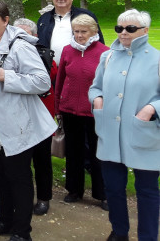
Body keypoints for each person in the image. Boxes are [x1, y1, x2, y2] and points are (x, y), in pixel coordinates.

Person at [0, 0, 56, 241]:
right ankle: (4, 220)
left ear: (6, 20)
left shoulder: (19, 46)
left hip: (14, 123)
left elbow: (42, 81)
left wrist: (9, 76)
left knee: (19, 176)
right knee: (2, 174)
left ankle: (22, 231)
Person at [89, 9, 160, 241]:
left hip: (143, 133)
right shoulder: (107, 57)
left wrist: (152, 109)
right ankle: (119, 232)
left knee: (147, 191)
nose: (123, 33)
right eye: (119, 28)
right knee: (114, 189)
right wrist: (97, 100)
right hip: (110, 133)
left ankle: (147, 237)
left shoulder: (157, 59)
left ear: (145, 30)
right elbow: (95, 87)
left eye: (130, 28)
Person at [54, 14, 108, 210]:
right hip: (69, 110)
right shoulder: (68, 50)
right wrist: (58, 107)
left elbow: (107, 84)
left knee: (97, 153)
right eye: (76, 31)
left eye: (83, 32)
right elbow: (60, 80)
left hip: (95, 111)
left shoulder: (104, 52)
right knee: (73, 152)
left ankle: (102, 194)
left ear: (93, 32)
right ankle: (74, 190)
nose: (79, 35)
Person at [13, 18, 58, 216]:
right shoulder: (10, 53)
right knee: (20, 162)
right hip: (18, 116)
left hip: (41, 116)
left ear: (35, 36)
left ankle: (43, 197)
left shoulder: (44, 55)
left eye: (26, 34)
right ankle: (22, 196)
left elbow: (49, 76)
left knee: (42, 160)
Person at [37, 0, 104, 65]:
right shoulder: (44, 19)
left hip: (79, 67)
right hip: (51, 70)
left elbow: (98, 41)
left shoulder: (85, 15)